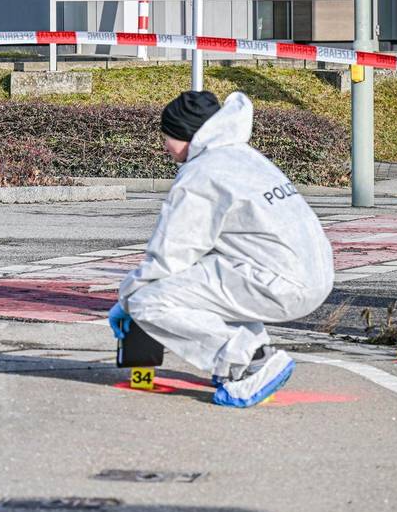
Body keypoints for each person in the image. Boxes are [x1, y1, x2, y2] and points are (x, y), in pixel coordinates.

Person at [108, 90, 334, 408]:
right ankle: (247, 354)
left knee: (149, 302)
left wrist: (129, 298)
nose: (164, 146)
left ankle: (253, 361)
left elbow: (171, 253)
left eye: (168, 137)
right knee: (205, 280)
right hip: (312, 274)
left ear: (188, 134)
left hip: (280, 283)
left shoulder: (201, 174)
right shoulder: (243, 156)